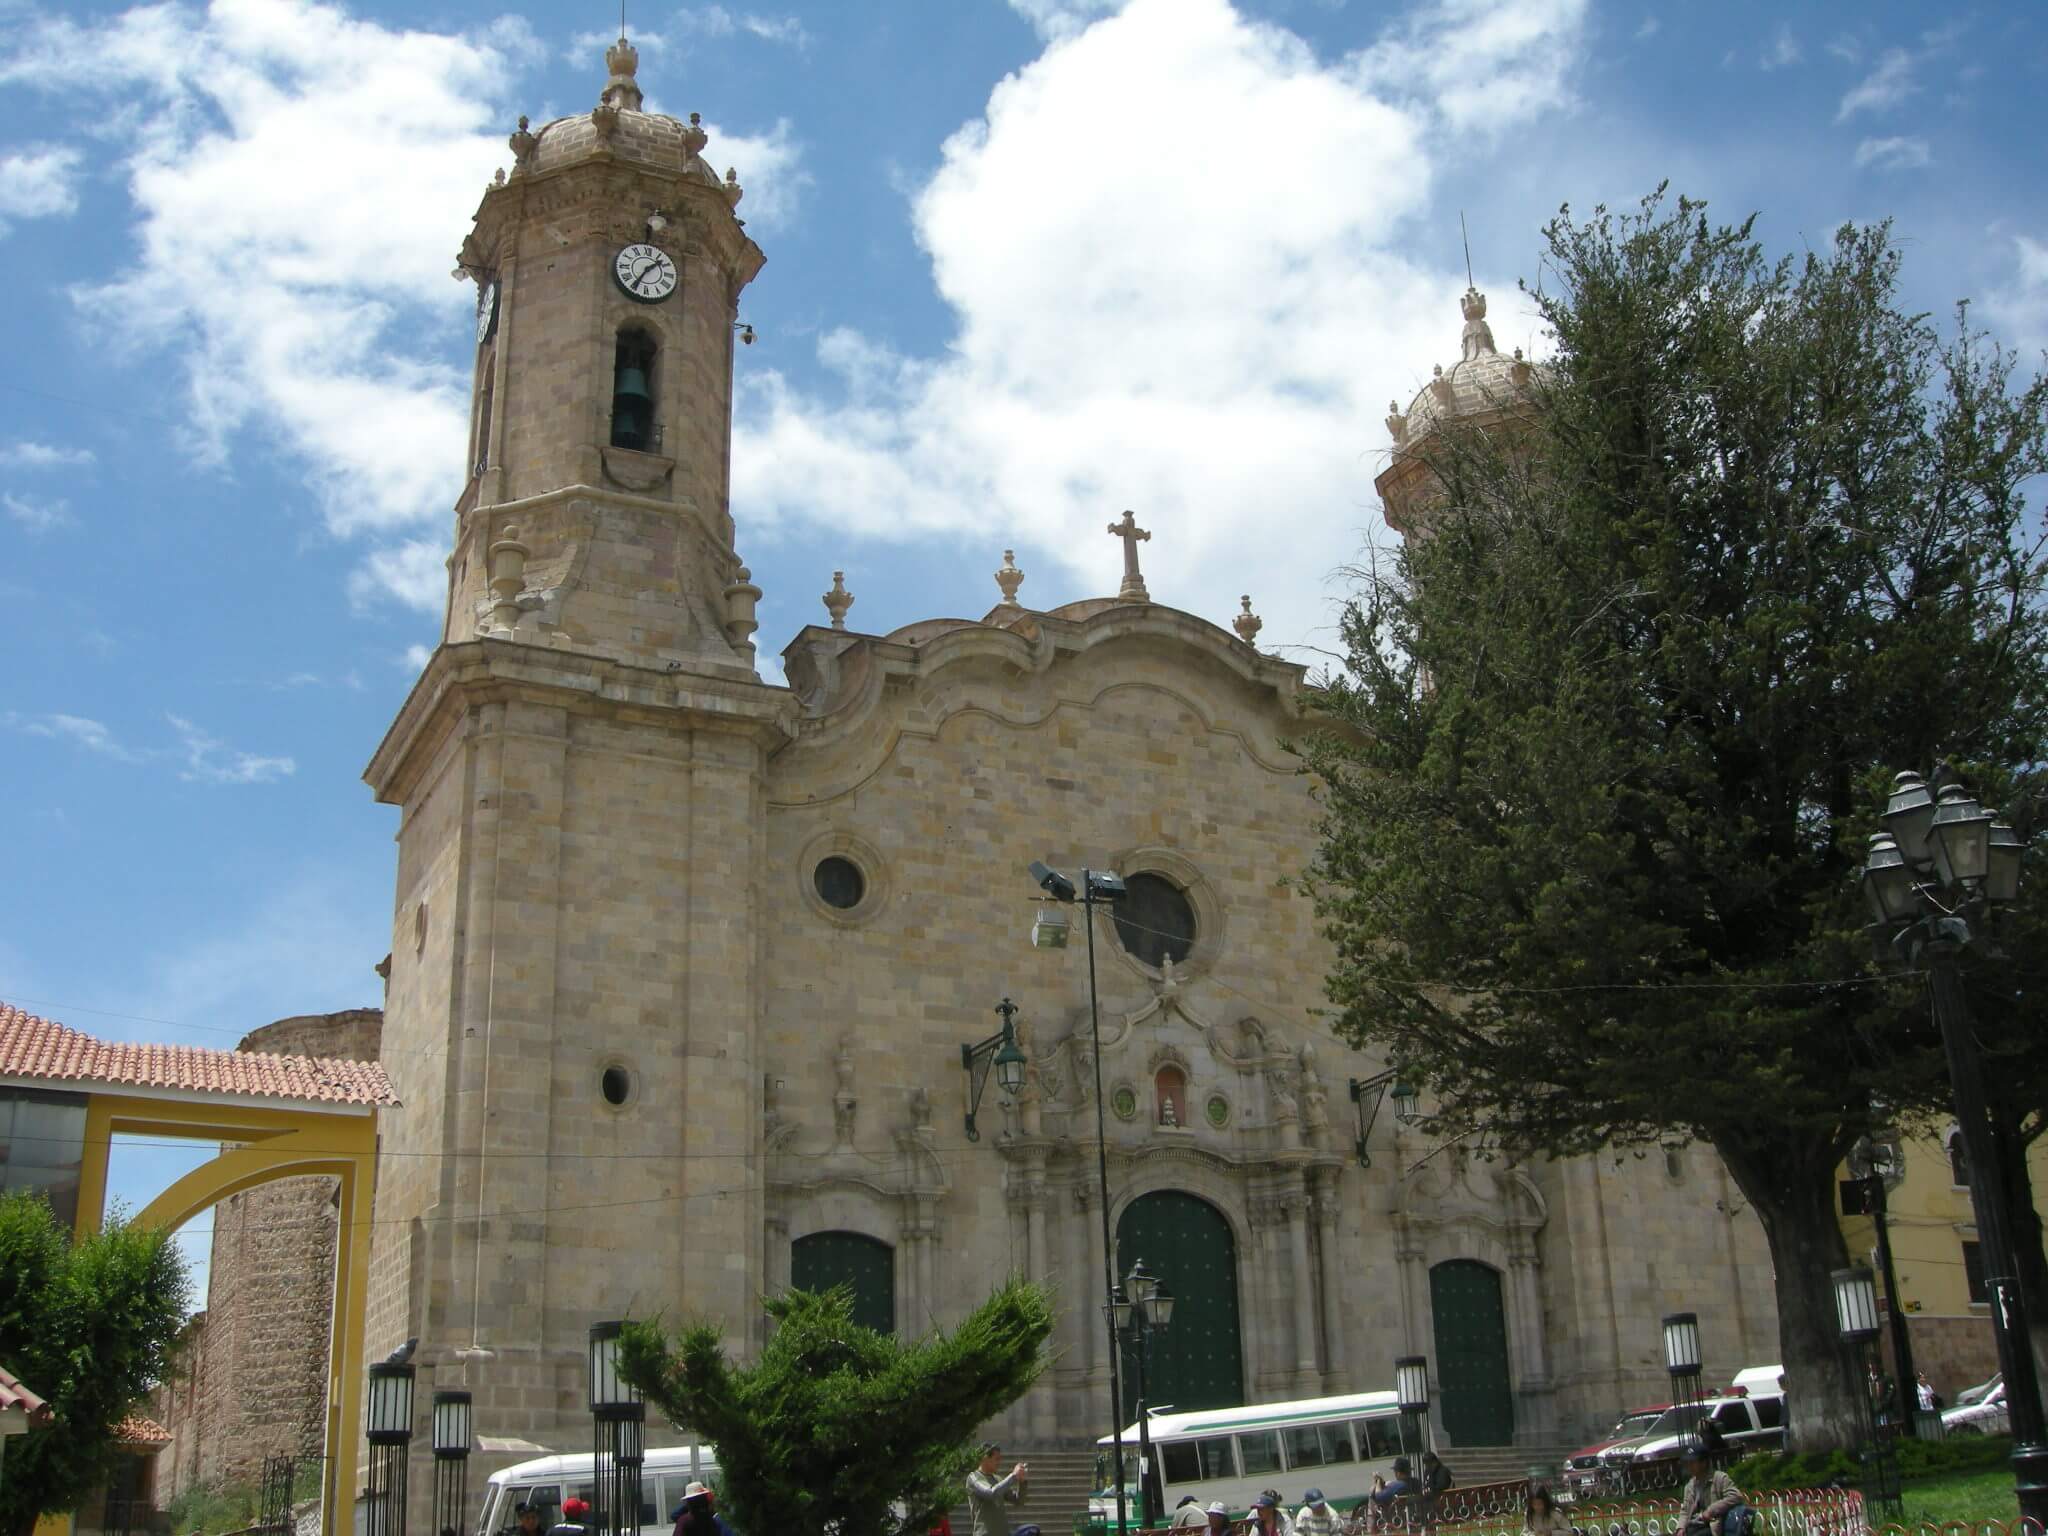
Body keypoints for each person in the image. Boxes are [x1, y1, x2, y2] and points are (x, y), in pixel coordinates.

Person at [966, 1443, 1034, 1536]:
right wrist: (1013, 1475)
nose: (999, 1462)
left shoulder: (998, 1479)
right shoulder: (973, 1477)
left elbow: (1019, 1501)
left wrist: (1022, 1482)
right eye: (996, 1459)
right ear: (984, 1458)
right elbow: (991, 1493)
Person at [1676, 1442, 1743, 1536]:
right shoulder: (1690, 1485)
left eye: (1692, 1462)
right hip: (1693, 1526)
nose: (1689, 1466)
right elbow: (1685, 1510)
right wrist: (1680, 1528)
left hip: (1712, 1527)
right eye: (1687, 1463)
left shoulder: (1719, 1478)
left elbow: (1736, 1496)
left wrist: (1711, 1511)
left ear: (1703, 1463)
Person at [1419, 1454, 1454, 1529]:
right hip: (1429, 1499)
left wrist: (1430, 1490)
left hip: (1442, 1498)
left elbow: (1442, 1486)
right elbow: (1426, 1484)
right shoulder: (1428, 1471)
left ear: (1434, 1462)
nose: (1427, 1466)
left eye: (1428, 1464)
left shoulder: (1443, 1471)